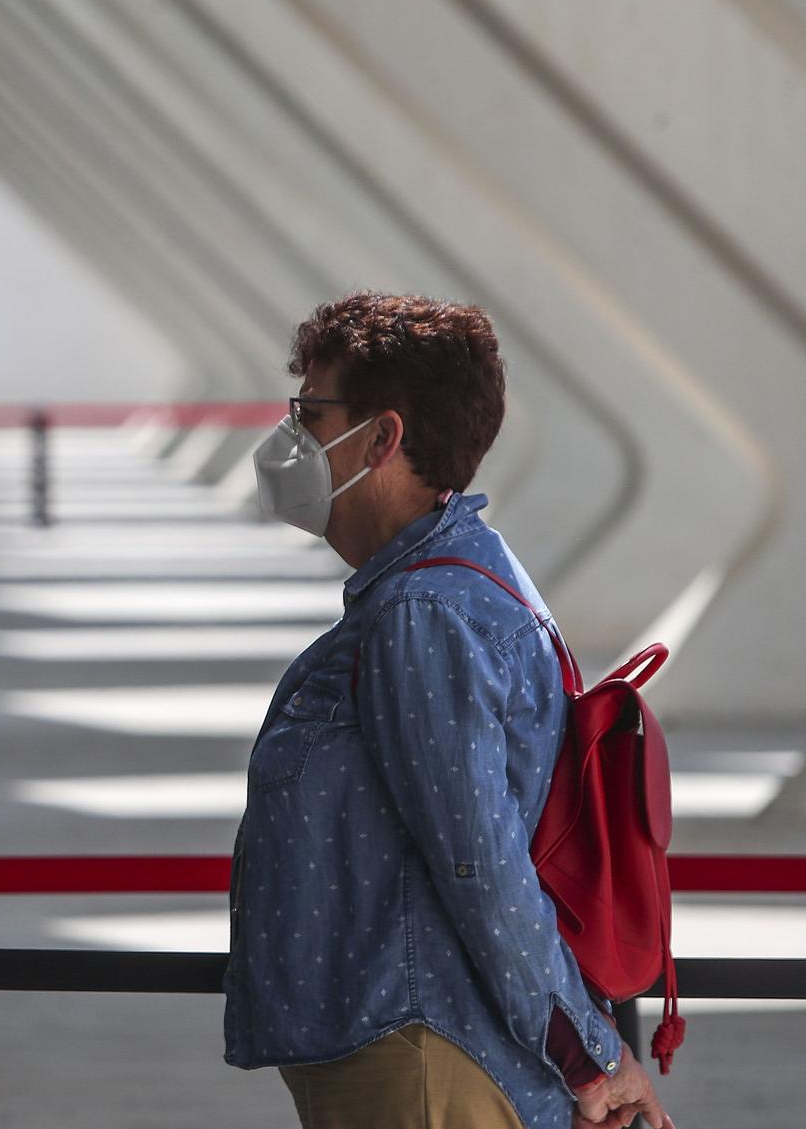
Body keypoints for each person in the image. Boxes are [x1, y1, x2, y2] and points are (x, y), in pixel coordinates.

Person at [226, 292, 674, 1129]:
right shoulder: (445, 581)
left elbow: (480, 864)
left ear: (383, 437)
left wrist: (589, 1053)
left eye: (311, 411)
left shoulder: (422, 612)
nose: (292, 438)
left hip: (425, 1060)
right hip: (411, 1049)